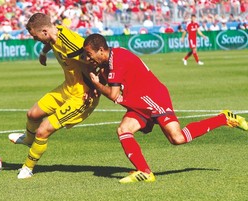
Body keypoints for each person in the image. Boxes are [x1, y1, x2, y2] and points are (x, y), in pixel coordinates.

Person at [83, 33, 248, 184]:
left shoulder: (117, 60)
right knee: (123, 129)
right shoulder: (108, 61)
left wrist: (96, 84)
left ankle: (224, 118)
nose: (88, 58)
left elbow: (112, 94)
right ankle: (145, 172)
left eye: (90, 54)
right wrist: (94, 90)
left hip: (153, 97)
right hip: (138, 102)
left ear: (101, 50)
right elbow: (107, 82)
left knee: (177, 138)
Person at [8, 13, 99, 179]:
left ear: (43, 31)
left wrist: (94, 88)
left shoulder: (71, 43)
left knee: (43, 131)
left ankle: (27, 168)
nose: (34, 39)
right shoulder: (54, 34)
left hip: (81, 97)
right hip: (67, 88)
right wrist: (43, 52)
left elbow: (96, 62)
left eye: (35, 36)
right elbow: (52, 42)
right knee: (32, 114)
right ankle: (29, 140)